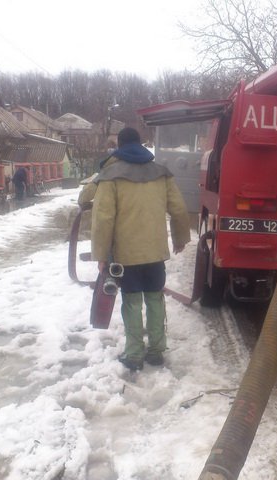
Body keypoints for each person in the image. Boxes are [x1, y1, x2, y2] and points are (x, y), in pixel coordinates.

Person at [91, 127, 191, 371]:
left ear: (120, 147)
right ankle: (157, 351)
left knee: (132, 302)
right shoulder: (161, 172)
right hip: (155, 253)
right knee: (155, 299)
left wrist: (101, 255)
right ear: (140, 145)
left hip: (127, 255)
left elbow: (103, 218)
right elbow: (178, 209)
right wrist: (180, 238)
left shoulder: (110, 175)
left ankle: (134, 355)